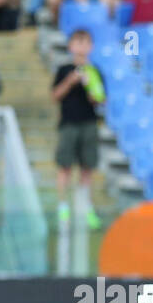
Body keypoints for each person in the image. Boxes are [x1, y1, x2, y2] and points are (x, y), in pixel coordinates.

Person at [52, 29, 106, 231]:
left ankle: (86, 207)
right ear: (71, 46)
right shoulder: (64, 69)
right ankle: (63, 207)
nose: (82, 47)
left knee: (86, 168)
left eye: (86, 43)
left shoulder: (95, 71)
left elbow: (100, 99)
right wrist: (70, 82)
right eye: (78, 42)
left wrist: (90, 87)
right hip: (68, 124)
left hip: (89, 123)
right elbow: (55, 95)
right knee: (64, 167)